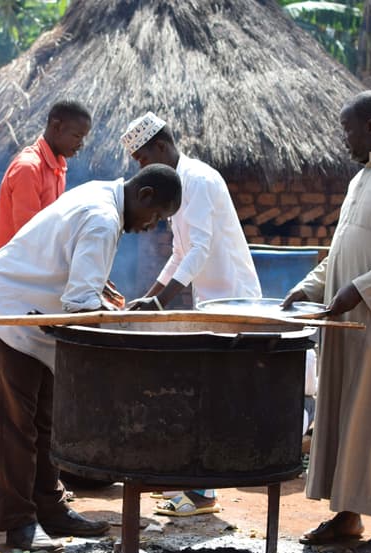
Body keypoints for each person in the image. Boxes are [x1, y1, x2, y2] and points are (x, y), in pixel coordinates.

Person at [0, 163, 183, 552]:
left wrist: (102, 297)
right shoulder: (102, 219)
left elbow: (74, 270)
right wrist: (118, 328)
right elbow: (79, 306)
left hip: (35, 319)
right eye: (157, 216)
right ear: (144, 196)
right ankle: (19, 526)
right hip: (6, 312)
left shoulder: (104, 195)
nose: (152, 226)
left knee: (46, 423)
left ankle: (51, 508)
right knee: (12, 426)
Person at [282, 91, 371, 553]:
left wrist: (358, 291)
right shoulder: (364, 176)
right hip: (342, 325)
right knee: (341, 420)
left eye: (348, 130)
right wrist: (308, 287)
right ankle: (348, 516)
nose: (343, 140)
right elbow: (343, 248)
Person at [120, 111, 261, 516]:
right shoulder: (180, 183)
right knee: (210, 393)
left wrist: (160, 302)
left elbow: (198, 250)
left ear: (161, 147)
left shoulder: (196, 179)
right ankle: (200, 485)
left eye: (145, 161)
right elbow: (180, 253)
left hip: (233, 300)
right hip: (213, 302)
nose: (143, 171)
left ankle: (205, 491)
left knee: (219, 396)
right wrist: (148, 298)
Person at [0, 101, 92, 254]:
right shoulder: (28, 168)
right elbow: (29, 236)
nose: (81, 144)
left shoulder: (58, 167)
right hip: (13, 269)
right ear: (56, 127)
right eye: (77, 136)